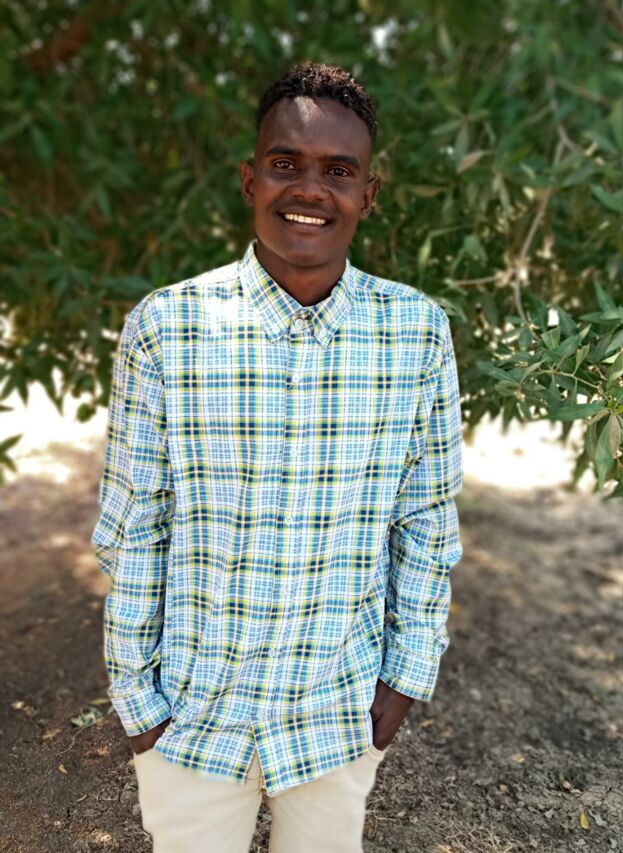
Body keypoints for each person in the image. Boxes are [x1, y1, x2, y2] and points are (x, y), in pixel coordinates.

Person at [91, 61, 464, 853]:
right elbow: (134, 526)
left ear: (369, 194)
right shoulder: (167, 328)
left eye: (339, 171)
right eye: (286, 163)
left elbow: (427, 519)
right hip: (192, 717)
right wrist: (140, 705)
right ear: (249, 179)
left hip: (339, 713)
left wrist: (405, 677)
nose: (310, 190)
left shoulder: (417, 333)